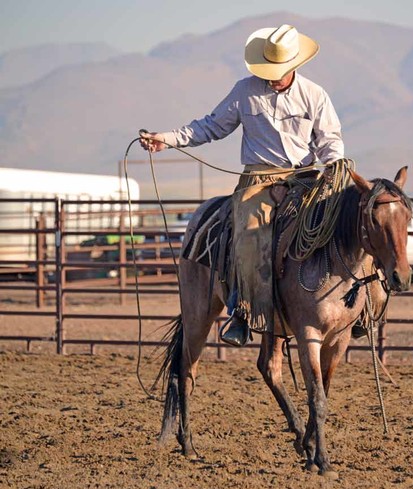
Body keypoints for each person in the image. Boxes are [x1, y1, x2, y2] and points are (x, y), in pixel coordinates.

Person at [140, 24, 348, 346]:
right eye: (269, 69)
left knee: (346, 221)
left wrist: (333, 164)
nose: (274, 76)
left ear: (295, 65)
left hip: (305, 177)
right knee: (249, 234)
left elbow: (329, 139)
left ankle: (359, 306)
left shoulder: (314, 95)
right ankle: (242, 308)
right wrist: (166, 140)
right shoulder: (244, 91)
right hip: (258, 180)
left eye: (279, 70)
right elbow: (210, 127)